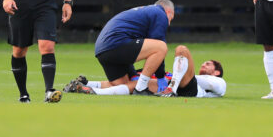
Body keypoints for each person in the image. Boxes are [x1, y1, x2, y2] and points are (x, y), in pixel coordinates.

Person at [65, 45, 226, 98]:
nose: (204, 65)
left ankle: (172, 89)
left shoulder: (219, 82)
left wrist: (174, 81)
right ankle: (90, 88)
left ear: (216, 72)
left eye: (208, 64)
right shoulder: (181, 72)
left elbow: (215, 86)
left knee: (182, 49)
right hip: (173, 84)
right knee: (135, 84)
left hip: (188, 89)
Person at [91, 0, 175, 96]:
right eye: (170, 19)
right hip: (115, 43)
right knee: (161, 47)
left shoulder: (143, 13)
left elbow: (130, 43)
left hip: (102, 50)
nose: (168, 23)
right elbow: (158, 43)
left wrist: (132, 74)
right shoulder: (160, 13)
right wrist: (160, 77)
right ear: (169, 11)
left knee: (126, 86)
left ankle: (86, 85)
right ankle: (141, 88)